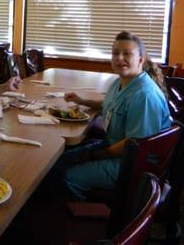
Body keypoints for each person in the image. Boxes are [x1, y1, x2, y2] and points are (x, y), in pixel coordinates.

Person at [61, 31, 170, 200]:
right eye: (115, 53)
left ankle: (91, 216)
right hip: (114, 149)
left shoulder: (144, 96)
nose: (119, 58)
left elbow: (136, 144)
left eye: (127, 54)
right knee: (61, 161)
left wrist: (96, 155)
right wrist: (82, 100)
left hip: (133, 164)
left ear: (141, 59)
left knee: (68, 176)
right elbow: (109, 105)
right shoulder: (120, 82)